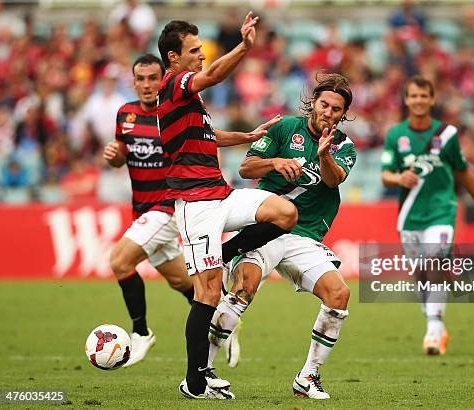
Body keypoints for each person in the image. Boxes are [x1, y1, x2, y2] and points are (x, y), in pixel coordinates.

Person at [156, 15, 298, 400]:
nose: (202, 56)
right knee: (209, 293)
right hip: (195, 206)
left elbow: (207, 134)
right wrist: (246, 47)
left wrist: (247, 136)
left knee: (284, 213)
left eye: (202, 50)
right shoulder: (174, 84)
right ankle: (194, 382)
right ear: (173, 58)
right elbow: (216, 74)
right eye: (194, 51)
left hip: (220, 194)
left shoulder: (188, 99)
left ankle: (227, 252)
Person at [206, 72, 356, 400]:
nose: (328, 112)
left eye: (336, 109)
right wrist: (275, 162)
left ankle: (308, 377)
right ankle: (204, 373)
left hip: (304, 236)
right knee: (244, 288)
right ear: (313, 103)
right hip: (268, 228)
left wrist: (324, 154)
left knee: (339, 295)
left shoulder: (345, 146)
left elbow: (333, 181)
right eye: (324, 104)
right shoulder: (285, 127)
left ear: (343, 114)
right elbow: (246, 169)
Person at [381, 75, 474, 355]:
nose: (418, 100)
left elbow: (464, 172)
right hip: (410, 216)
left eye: (423, 96)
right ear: (406, 100)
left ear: (431, 99)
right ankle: (438, 318)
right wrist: (398, 178)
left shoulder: (447, 134)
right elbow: (384, 175)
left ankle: (433, 329)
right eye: (413, 96)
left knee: (435, 263)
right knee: (420, 274)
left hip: (442, 210)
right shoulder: (395, 135)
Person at [103, 54, 194, 368]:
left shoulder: (175, 113)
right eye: (140, 79)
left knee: (119, 261)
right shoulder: (125, 114)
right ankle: (222, 317)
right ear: (134, 81)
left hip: (168, 207)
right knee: (182, 282)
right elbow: (119, 159)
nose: (146, 85)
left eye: (153, 78)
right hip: (142, 210)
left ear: (163, 79)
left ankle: (140, 332)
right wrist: (114, 155)